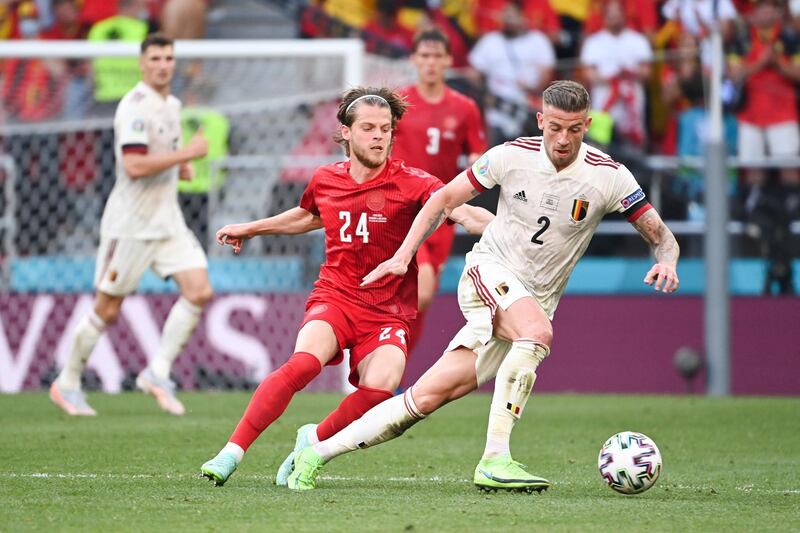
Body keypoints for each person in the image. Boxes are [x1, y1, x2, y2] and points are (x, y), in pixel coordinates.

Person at [287, 80, 680, 492]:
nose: (563, 139)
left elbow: (659, 234)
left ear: (588, 124)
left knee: (421, 400)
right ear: (541, 120)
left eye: (575, 129)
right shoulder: (509, 157)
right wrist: (404, 255)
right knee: (537, 334)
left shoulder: (609, 176)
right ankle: (495, 458)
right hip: (489, 271)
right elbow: (442, 200)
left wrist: (666, 261)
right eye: (555, 127)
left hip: (534, 298)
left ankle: (316, 451)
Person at [199, 87, 493, 487]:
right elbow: (308, 217)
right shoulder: (325, 179)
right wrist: (251, 228)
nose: (379, 136)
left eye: (386, 129)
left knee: (383, 387)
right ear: (346, 133)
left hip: (388, 309)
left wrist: (504, 228)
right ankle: (231, 452)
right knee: (304, 362)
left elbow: (458, 209)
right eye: (369, 128)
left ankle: (314, 439)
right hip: (336, 296)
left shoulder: (415, 183)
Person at [49, 33, 212, 417]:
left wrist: (180, 164)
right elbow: (135, 166)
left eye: (168, 58)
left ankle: (157, 372)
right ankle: (67, 382)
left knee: (199, 290)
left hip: (167, 220)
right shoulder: (134, 108)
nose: (162, 65)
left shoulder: (170, 104)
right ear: (142, 63)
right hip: (132, 225)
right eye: (155, 58)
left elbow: (160, 155)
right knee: (107, 310)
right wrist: (186, 153)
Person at [391, 27, 487, 370]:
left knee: (420, 300)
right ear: (415, 59)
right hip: (404, 209)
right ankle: (390, 363)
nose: (431, 62)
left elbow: (478, 156)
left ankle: (393, 365)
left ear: (448, 60)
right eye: (424, 55)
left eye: (437, 56)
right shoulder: (398, 103)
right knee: (423, 291)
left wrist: (474, 174)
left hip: (444, 212)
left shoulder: (464, 108)